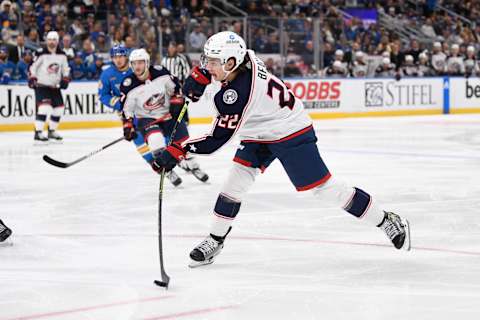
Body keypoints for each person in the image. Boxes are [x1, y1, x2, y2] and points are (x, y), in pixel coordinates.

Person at [152, 31, 411, 268]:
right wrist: (205, 75)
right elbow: (224, 71)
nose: (207, 65)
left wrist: (177, 150)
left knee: (325, 189)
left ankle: (386, 219)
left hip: (290, 130)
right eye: (206, 60)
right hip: (258, 131)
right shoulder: (247, 59)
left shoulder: (237, 94)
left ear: (231, 63)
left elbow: (216, 140)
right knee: (233, 185)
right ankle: (215, 239)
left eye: (213, 61)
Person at [98, 45, 182, 187]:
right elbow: (103, 95)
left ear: (127, 57)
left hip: (149, 109)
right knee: (139, 141)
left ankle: (174, 158)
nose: (118, 60)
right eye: (115, 57)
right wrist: (119, 104)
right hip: (130, 112)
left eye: (121, 56)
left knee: (163, 135)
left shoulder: (138, 67)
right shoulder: (107, 74)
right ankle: (163, 169)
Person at [120, 49, 208, 183]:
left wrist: (176, 102)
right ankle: (166, 170)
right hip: (147, 118)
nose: (137, 66)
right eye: (134, 63)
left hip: (168, 114)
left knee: (183, 143)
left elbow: (176, 88)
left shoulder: (161, 72)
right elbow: (127, 109)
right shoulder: (128, 85)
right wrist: (128, 126)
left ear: (147, 63)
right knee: (155, 141)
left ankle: (194, 166)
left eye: (140, 63)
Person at [28, 31, 70, 142]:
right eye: (50, 39)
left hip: (55, 87)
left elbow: (66, 69)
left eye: (54, 39)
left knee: (59, 109)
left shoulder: (62, 54)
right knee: (44, 108)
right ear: (47, 40)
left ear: (57, 41)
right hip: (42, 86)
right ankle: (38, 132)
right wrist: (32, 78)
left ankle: (52, 131)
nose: (52, 42)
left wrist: (65, 79)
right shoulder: (40, 53)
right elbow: (32, 67)